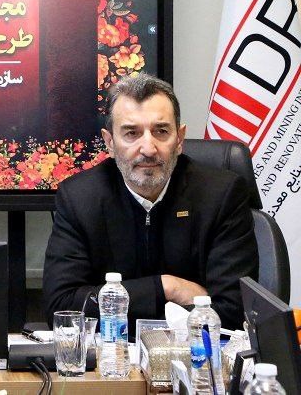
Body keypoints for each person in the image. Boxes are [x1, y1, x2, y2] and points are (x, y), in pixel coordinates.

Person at [43, 73, 258, 329]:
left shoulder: (222, 195)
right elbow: (62, 308)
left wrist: (118, 303)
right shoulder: (79, 198)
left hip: (195, 349)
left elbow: (235, 311)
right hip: (112, 350)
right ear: (109, 143)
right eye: (131, 133)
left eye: (161, 132)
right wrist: (167, 287)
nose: (148, 148)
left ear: (179, 139)